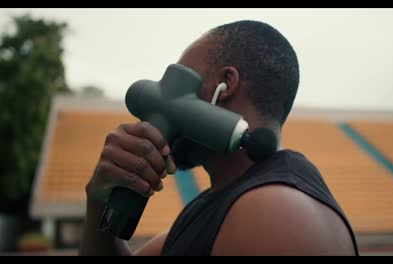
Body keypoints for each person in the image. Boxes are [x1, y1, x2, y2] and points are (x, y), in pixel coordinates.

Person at [79, 20, 359, 256]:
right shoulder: (223, 206)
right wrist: (99, 200)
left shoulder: (273, 213)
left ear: (226, 84)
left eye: (179, 78)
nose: (161, 95)